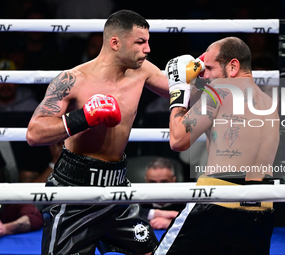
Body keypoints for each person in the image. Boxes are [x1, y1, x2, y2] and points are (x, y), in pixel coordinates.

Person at [25, 9, 187, 255]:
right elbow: (34, 134)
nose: (148, 49)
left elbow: (180, 93)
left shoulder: (143, 70)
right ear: (115, 43)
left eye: (148, 42)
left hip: (117, 189)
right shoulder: (73, 79)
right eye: (140, 42)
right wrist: (84, 117)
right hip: (75, 191)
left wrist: (200, 73)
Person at [153, 37, 280, 255]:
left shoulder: (220, 90)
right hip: (262, 209)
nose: (206, 74)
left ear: (233, 66)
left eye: (209, 68)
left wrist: (178, 90)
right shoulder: (269, 103)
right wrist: (196, 82)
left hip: (218, 203)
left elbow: (178, 140)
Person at [142, 158, 185, 230]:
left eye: (164, 182)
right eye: (153, 182)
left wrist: (172, 224)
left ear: (173, 181)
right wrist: (155, 213)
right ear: (146, 181)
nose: (158, 187)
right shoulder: (136, 202)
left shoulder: (186, 202)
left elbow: (200, 223)